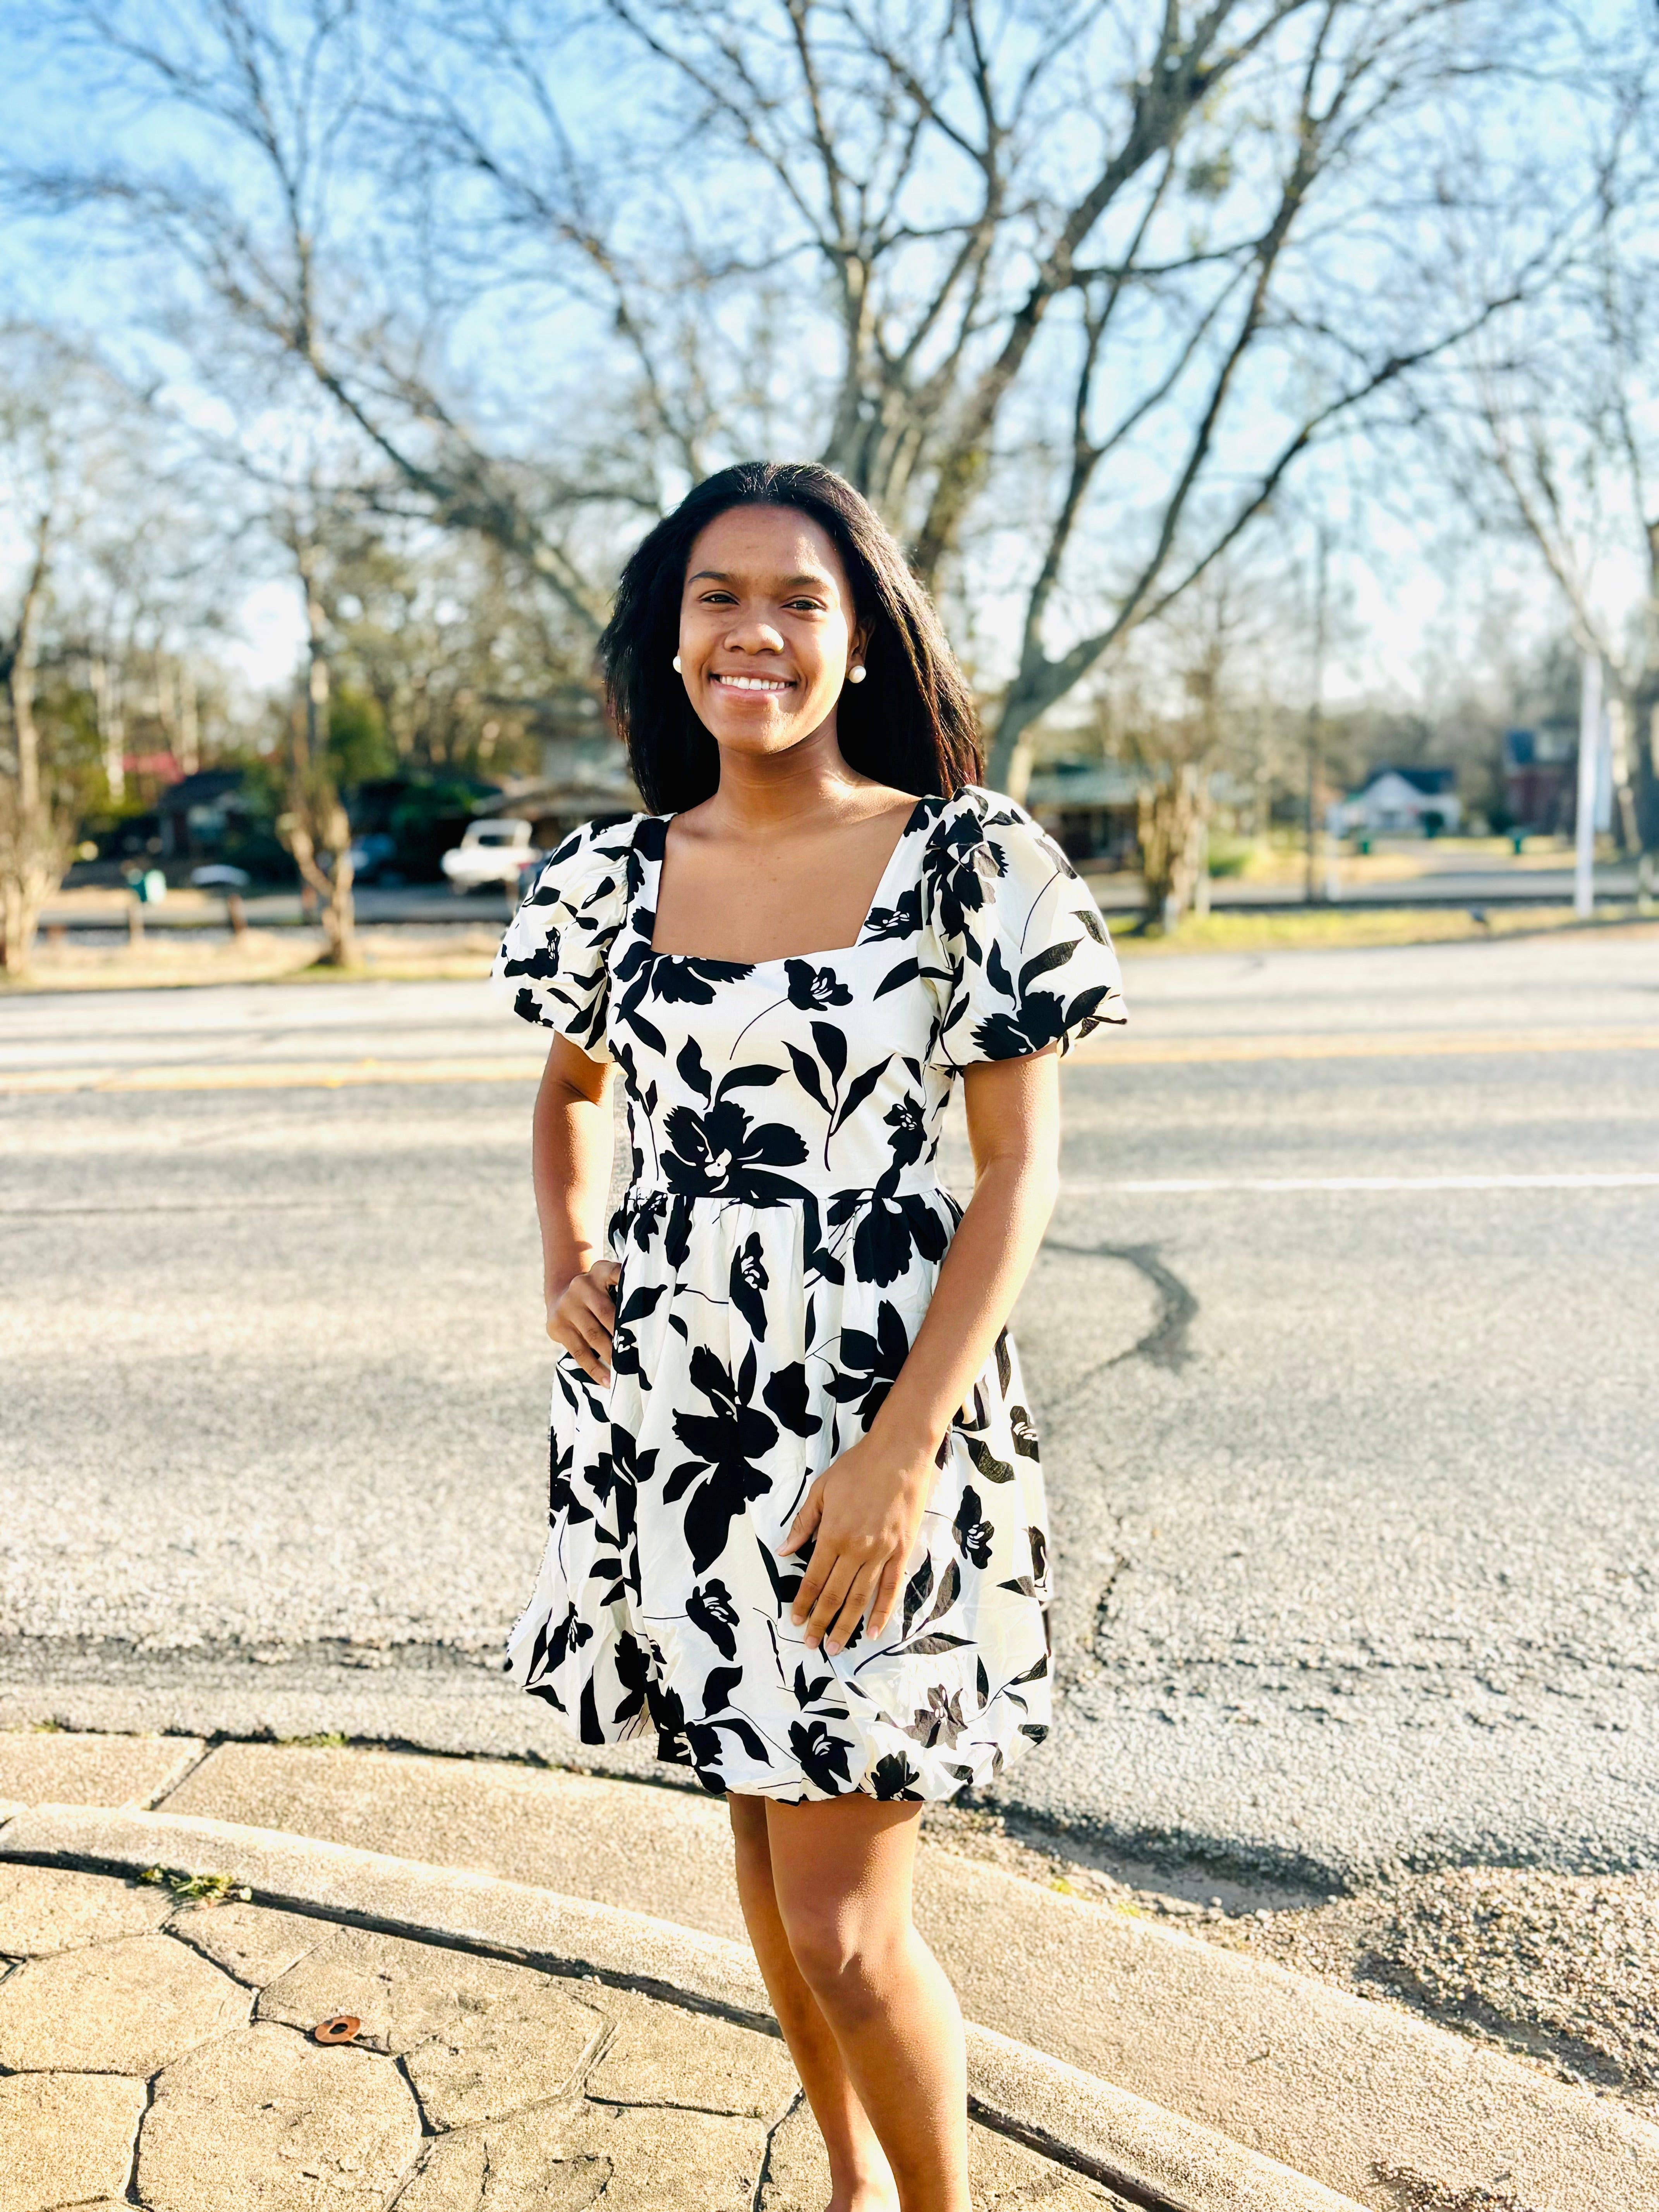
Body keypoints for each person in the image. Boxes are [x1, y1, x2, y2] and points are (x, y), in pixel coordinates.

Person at [494, 459, 1124, 2212]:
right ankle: (845, 2182)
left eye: (798, 601)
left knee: (849, 1924)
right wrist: (564, 1250)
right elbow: (566, 1094)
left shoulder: (967, 865)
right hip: (677, 1437)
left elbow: (1016, 1175)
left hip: (885, 1434)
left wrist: (901, 1455)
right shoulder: (613, 877)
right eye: (716, 598)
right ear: (668, 641)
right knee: (768, 1877)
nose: (753, 631)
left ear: (861, 645)